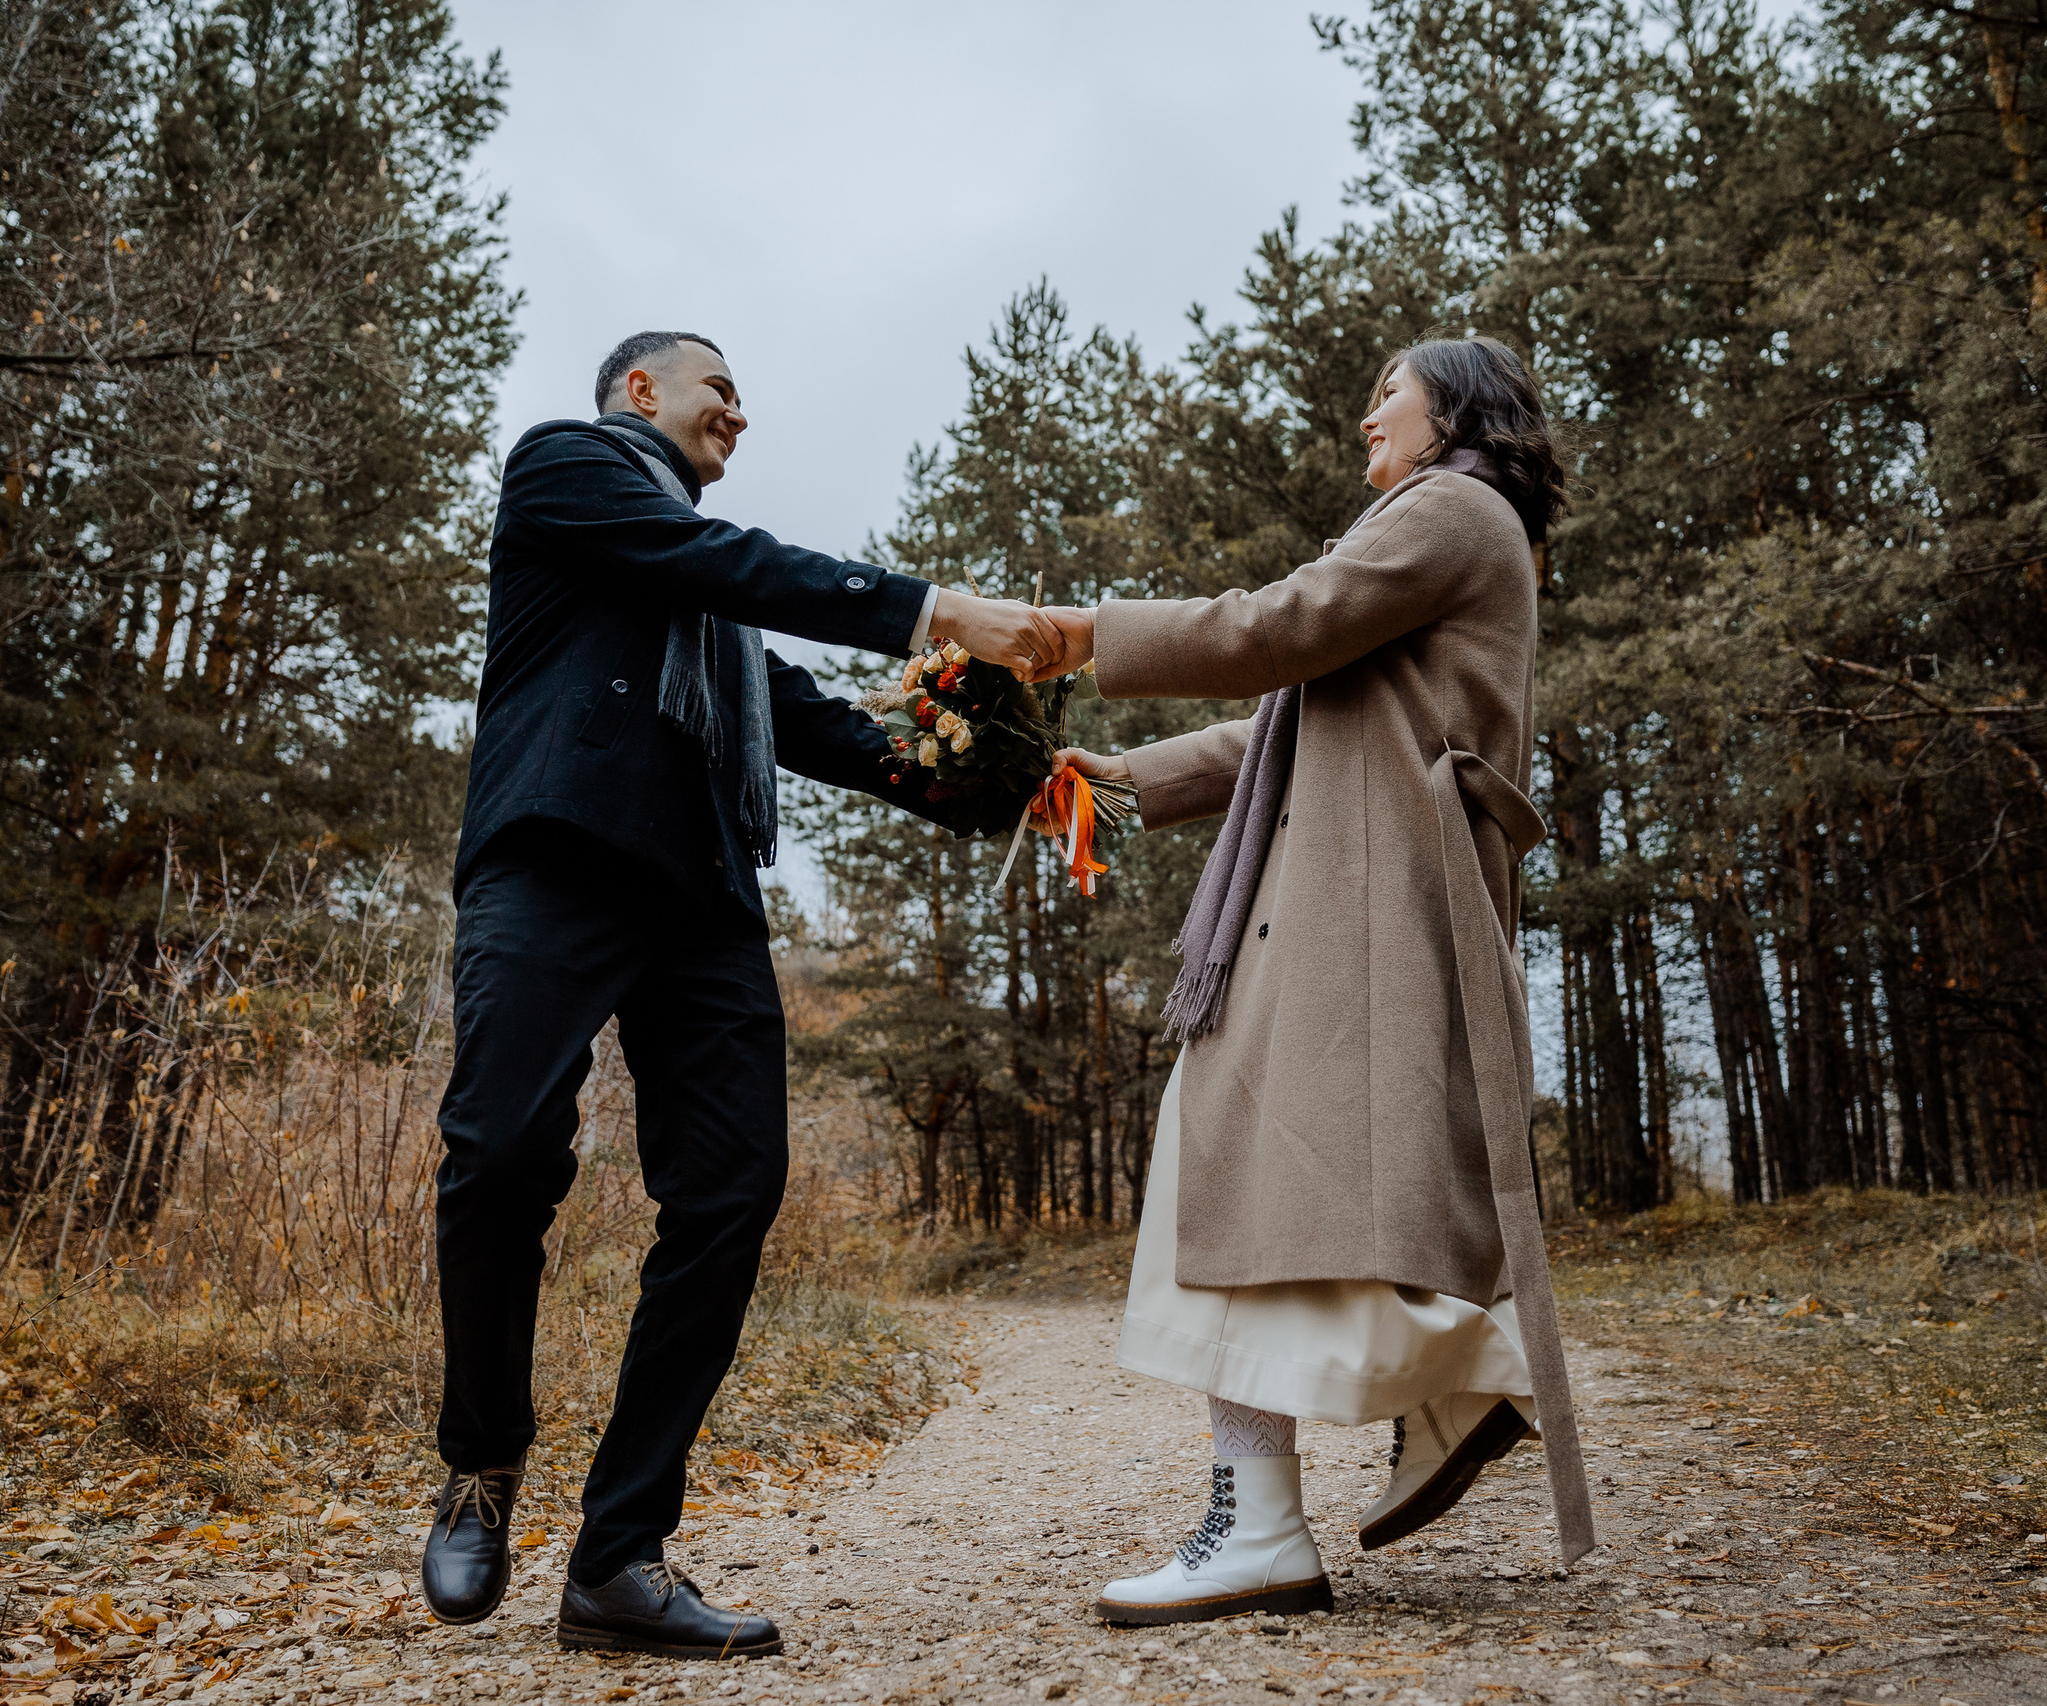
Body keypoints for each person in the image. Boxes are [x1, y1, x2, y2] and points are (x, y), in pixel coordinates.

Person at [422, 331, 1062, 1657]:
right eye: (720, 388)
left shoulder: (709, 619)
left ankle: (617, 1557)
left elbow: (821, 725)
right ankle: (482, 1460)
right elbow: (722, 559)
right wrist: (937, 608)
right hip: (552, 862)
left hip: (700, 901)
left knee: (728, 1192)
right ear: (640, 390)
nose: (739, 413)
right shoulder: (566, 470)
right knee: (499, 1151)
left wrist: (998, 776)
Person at [1033, 338, 1595, 1623]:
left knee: (1263, 1190)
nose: (1365, 415)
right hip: (1344, 900)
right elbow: (1287, 717)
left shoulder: (1452, 510)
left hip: (1372, 903)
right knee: (1243, 1187)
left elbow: (1273, 628)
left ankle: (1368, 1446)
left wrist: (1082, 635)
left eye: (1386, 391)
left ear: (1455, 406)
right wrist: (1125, 780)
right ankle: (1295, 1499)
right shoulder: (1433, 527)